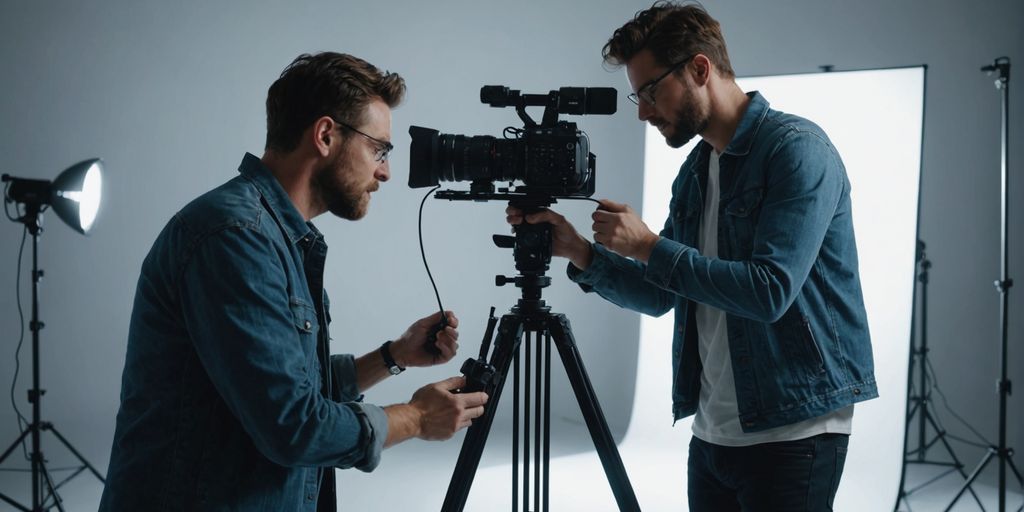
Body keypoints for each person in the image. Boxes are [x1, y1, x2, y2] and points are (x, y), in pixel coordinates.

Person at [507, 3, 877, 510]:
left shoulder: (797, 150)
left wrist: (649, 246)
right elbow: (664, 294)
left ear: (699, 69)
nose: (642, 111)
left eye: (651, 91)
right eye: (637, 96)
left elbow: (769, 291)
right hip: (713, 432)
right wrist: (578, 250)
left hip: (795, 431)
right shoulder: (697, 172)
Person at [100, 52, 488, 511]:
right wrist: (418, 417)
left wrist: (393, 356)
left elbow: (287, 385)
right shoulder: (235, 237)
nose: (384, 171)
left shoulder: (274, 236)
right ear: (325, 135)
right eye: (378, 149)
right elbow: (294, 427)